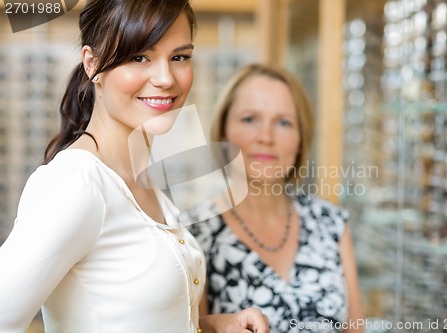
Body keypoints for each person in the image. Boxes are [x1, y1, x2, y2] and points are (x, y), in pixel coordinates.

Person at [0, 1, 269, 332]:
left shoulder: (141, 179)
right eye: (139, 57)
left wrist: (210, 326)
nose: (166, 78)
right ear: (92, 64)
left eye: (180, 57)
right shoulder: (76, 184)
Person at [188, 64, 365, 333]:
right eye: (249, 119)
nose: (266, 137)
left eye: (283, 122)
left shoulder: (331, 223)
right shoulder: (193, 234)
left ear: (300, 139)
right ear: (223, 133)